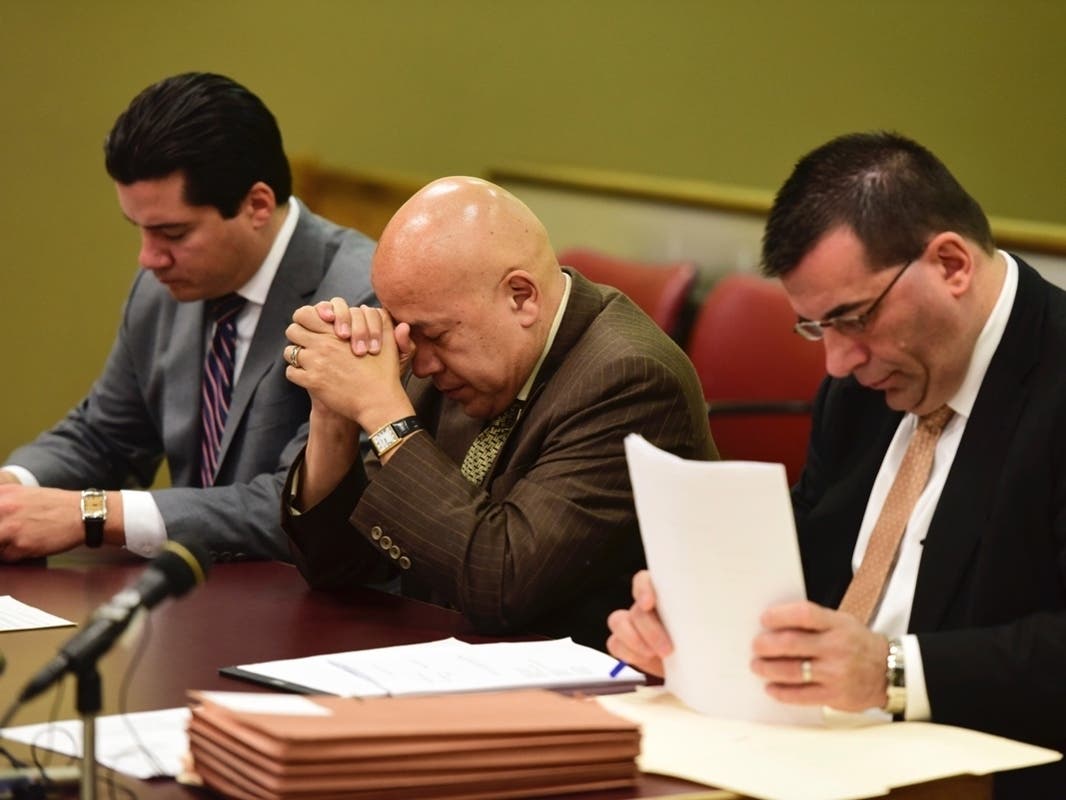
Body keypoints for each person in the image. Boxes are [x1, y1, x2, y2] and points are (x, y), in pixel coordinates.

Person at [606, 132, 1066, 796]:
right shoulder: (864, 385)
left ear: (951, 264)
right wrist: (689, 614)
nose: (837, 362)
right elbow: (810, 548)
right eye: (817, 328)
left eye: (853, 319)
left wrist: (894, 672)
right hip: (807, 756)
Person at [280, 176, 715, 649]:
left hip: (593, 693)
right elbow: (341, 567)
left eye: (436, 336)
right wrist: (333, 412)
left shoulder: (632, 380)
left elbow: (500, 584)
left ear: (521, 297)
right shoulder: (459, 358)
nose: (420, 364)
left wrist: (382, 411)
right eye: (406, 331)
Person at [0, 72, 375, 564]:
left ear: (257, 204)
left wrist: (94, 514)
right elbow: (105, 436)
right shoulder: (161, 289)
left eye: (172, 233)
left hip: (323, 611)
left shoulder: (358, 296)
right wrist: (13, 490)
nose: (149, 259)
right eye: (138, 229)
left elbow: (298, 503)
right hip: (191, 599)